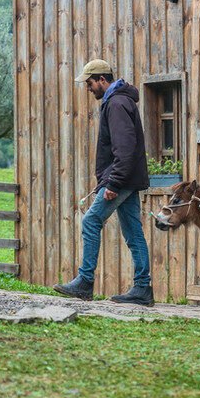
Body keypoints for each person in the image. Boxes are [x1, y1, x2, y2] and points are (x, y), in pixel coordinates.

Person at [54, 59, 153, 306]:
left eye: (89, 83)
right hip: (126, 177)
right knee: (133, 232)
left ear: (101, 79)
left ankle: (85, 282)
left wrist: (113, 183)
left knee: (90, 221)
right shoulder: (119, 101)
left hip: (121, 178)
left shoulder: (117, 103)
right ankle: (143, 288)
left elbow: (125, 148)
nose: (88, 89)